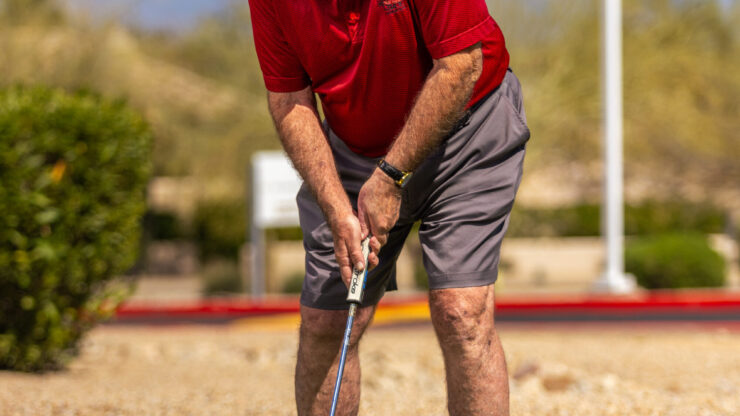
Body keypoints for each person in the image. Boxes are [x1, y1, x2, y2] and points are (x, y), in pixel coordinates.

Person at [248, 1, 530, 415]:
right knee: (327, 320)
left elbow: (460, 64)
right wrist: (334, 205)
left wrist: (389, 178)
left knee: (461, 312)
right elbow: (289, 96)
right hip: (352, 145)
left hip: (468, 124)